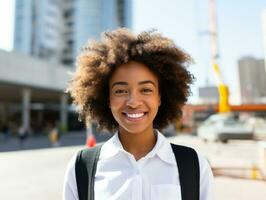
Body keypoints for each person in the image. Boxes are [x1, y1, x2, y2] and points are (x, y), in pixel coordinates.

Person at [63, 28, 214, 200]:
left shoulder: (193, 165)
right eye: (120, 91)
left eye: (146, 89)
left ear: (160, 97)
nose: (133, 102)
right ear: (107, 99)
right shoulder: (81, 168)